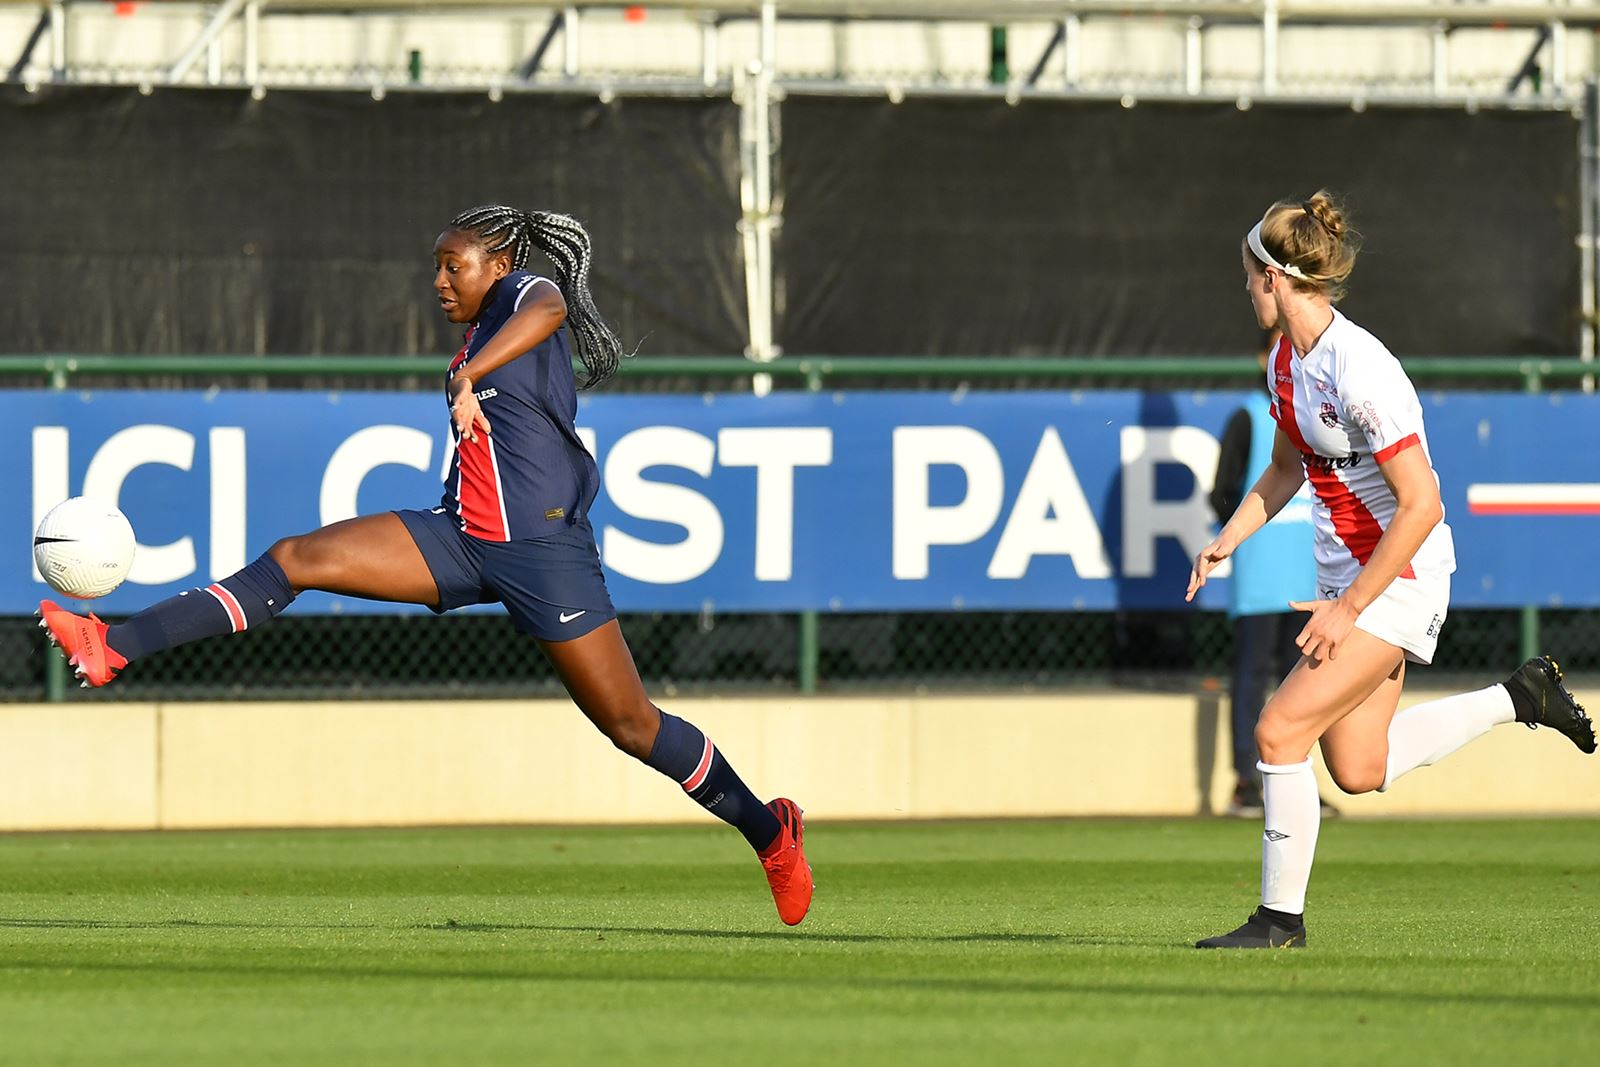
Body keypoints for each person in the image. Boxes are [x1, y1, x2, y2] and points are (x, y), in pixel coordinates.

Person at [38, 205, 814, 927]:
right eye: (437, 269)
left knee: (631, 725)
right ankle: (112, 648)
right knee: (294, 558)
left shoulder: (523, 294)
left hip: (544, 555)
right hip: (460, 536)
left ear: (499, 262)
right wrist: (469, 372)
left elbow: (552, 311)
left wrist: (472, 376)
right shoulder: (480, 330)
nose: (441, 282)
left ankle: (767, 826)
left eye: (455, 267)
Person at [1186, 191, 1594, 949]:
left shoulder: (1362, 369)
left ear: (1276, 279)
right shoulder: (1285, 361)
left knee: (1277, 732)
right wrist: (1229, 537)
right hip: (1357, 585)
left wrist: (1349, 609)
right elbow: (1283, 470)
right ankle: (1520, 694)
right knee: (1358, 764)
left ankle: (1279, 921)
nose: (1244, 288)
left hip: (1399, 578)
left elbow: (1422, 504)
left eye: (1248, 274)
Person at [1209, 331, 1337, 820]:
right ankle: (1246, 782)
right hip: (1262, 577)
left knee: (1305, 683)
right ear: (1266, 358)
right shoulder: (1248, 415)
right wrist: (1242, 530)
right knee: (1251, 675)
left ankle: (1299, 781)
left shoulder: (1322, 412)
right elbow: (1221, 491)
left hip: (1312, 577)